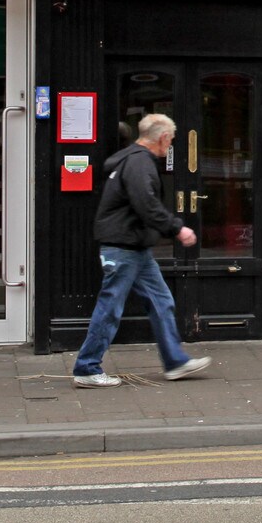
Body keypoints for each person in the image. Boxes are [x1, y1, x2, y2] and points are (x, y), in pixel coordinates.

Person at [73, 113, 212, 388]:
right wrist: (177, 229)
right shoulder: (139, 163)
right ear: (162, 138)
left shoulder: (129, 159)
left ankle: (175, 362)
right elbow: (145, 204)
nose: (169, 147)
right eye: (170, 141)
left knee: (161, 301)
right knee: (110, 306)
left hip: (134, 247)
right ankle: (87, 367)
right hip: (123, 248)